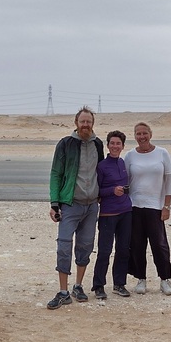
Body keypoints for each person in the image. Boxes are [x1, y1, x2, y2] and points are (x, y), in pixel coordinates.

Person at [47, 107, 104, 309]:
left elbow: (101, 171)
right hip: (70, 204)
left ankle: (78, 286)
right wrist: (54, 203)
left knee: (85, 246)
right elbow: (56, 173)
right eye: (82, 121)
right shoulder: (65, 144)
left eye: (89, 122)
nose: (85, 125)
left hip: (91, 206)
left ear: (93, 124)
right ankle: (63, 291)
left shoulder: (98, 144)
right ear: (76, 123)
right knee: (64, 246)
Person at [124, 122, 171, 296]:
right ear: (135, 136)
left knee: (159, 245)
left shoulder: (162, 153)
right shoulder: (130, 156)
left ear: (150, 134)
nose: (142, 137)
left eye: (144, 133)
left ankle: (165, 279)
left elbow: (169, 181)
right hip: (135, 206)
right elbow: (125, 181)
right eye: (138, 134)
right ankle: (141, 279)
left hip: (155, 207)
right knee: (137, 244)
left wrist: (166, 206)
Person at [90, 130, 132, 299]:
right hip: (108, 214)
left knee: (123, 249)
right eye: (112, 143)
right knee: (105, 251)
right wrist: (112, 191)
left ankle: (119, 284)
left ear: (123, 146)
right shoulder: (102, 166)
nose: (115, 146)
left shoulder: (122, 163)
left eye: (118, 144)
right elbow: (97, 191)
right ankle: (99, 285)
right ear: (107, 145)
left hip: (126, 212)